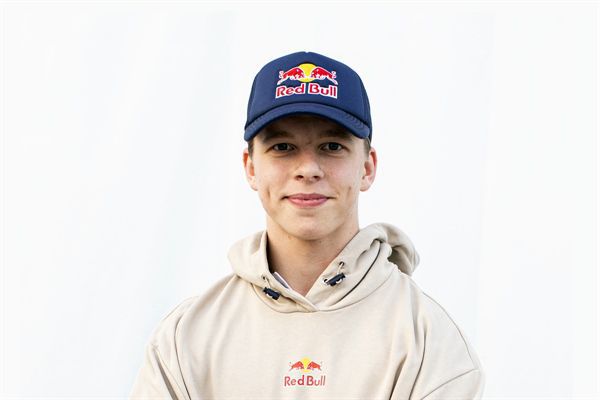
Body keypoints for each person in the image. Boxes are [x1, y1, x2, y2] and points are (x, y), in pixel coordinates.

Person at [129, 51, 485, 399]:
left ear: (367, 167)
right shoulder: (186, 338)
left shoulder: (428, 340)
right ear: (250, 167)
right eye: (283, 147)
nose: (308, 169)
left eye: (332, 146)